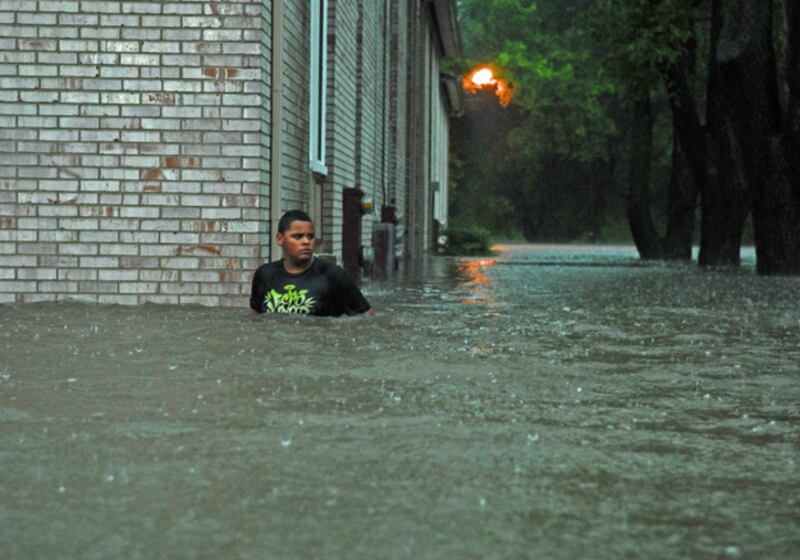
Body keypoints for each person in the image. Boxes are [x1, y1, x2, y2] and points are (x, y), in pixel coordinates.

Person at [249, 210, 373, 317]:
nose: (306, 242)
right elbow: (255, 317)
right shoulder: (265, 275)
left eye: (310, 236)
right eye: (298, 236)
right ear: (280, 239)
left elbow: (367, 317)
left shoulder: (333, 276)